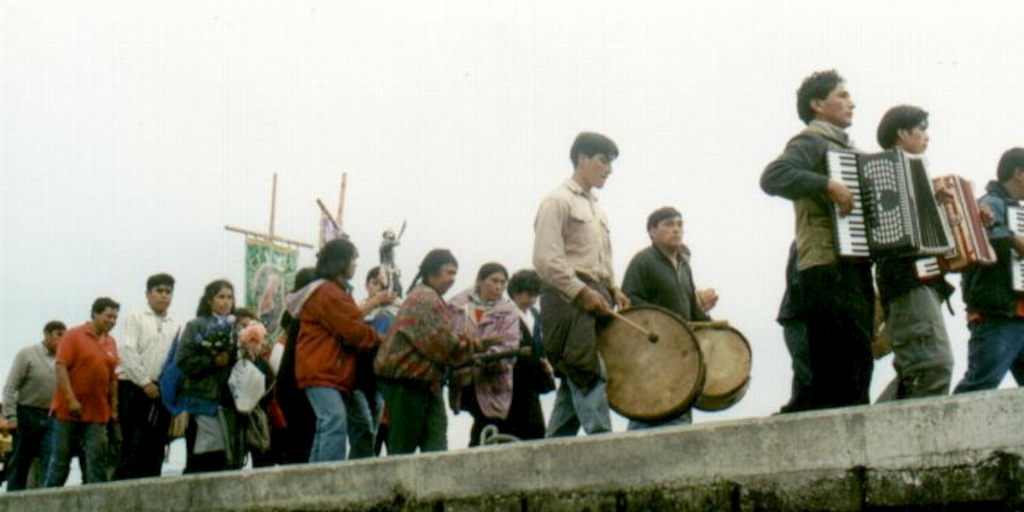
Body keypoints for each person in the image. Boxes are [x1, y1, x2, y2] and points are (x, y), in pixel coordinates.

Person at [761, 69, 874, 411]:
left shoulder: (849, 149)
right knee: (835, 367)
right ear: (817, 104)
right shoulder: (810, 140)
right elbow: (773, 177)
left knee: (858, 360)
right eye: (842, 95)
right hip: (824, 264)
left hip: (853, 263)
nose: (850, 103)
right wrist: (827, 185)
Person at [533, 131, 629, 437]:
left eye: (611, 163)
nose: (609, 170)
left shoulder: (597, 209)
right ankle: (603, 445)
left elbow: (602, 261)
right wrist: (581, 291)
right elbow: (546, 260)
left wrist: (613, 289)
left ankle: (548, 455)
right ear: (582, 159)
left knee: (577, 376)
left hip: (595, 296)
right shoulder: (557, 201)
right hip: (568, 299)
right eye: (603, 161)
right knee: (586, 369)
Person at [871, 106, 956, 401]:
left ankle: (876, 437)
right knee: (930, 366)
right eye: (921, 128)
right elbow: (887, 233)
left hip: (920, 284)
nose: (926, 136)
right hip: (908, 283)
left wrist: (941, 207)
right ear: (902, 133)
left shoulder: (915, 173)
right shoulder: (883, 171)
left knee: (924, 368)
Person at [374, 249, 474, 454]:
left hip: (427, 383)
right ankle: (398, 487)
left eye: (455, 273)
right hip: (406, 383)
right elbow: (442, 343)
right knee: (403, 448)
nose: (452, 279)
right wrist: (471, 346)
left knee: (436, 446)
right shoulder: (424, 298)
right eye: (449, 272)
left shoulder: (429, 297)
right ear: (432, 272)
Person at [289, 239, 380, 462]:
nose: (355, 265)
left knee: (336, 425)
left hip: (329, 370)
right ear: (342, 262)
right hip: (322, 368)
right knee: (333, 420)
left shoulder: (330, 290)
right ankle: (329, 480)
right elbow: (353, 330)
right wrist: (380, 339)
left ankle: (317, 479)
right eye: (353, 260)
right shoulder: (328, 292)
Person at [620, 207, 711, 429]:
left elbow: (692, 307)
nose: (676, 230)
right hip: (652, 352)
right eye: (669, 224)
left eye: (680, 225)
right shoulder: (642, 262)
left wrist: (714, 330)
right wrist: (664, 326)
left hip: (681, 352)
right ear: (652, 231)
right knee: (648, 410)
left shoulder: (684, 266)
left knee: (680, 404)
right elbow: (631, 304)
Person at [954, 148, 1024, 393]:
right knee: (978, 388)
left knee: (980, 386)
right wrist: (1013, 237)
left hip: (1015, 313)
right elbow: (988, 242)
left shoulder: (1010, 207)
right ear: (1019, 173)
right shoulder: (988, 204)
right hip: (997, 315)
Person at [44, 298, 120, 487]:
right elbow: (60, 367)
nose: (112, 321)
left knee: (97, 463)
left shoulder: (111, 342)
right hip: (67, 412)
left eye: (115, 318)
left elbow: (113, 378)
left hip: (98, 413)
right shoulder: (73, 335)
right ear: (95, 313)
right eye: (108, 316)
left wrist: (114, 408)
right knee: (60, 463)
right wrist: (71, 400)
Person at [114, 273, 179, 480]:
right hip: (134, 388)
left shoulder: (174, 324)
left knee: (156, 447)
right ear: (148, 294)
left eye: (168, 292)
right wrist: (144, 382)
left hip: (161, 392)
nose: (164, 296)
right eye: (159, 291)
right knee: (133, 447)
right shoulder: (136, 318)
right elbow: (127, 352)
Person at [448, 263, 521, 446]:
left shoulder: (509, 311)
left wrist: (489, 356)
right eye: (494, 281)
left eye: (503, 282)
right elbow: (447, 335)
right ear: (480, 281)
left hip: (494, 378)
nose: (499, 287)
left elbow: (509, 344)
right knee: (483, 423)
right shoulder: (457, 305)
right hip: (464, 377)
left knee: (488, 424)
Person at [176, 280, 239, 474]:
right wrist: (212, 362)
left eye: (229, 297)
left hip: (226, 398)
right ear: (210, 300)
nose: (226, 302)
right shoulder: (196, 325)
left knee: (224, 452)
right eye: (221, 296)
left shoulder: (234, 328)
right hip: (201, 396)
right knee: (204, 451)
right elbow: (183, 360)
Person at [3, 321, 65, 490]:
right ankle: (14, 501)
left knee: (50, 458)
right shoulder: (27, 354)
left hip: (52, 415)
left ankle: (44, 500)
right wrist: (10, 416)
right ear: (47, 334)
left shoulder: (63, 359)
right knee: (20, 460)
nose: (62, 339)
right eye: (59, 334)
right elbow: (10, 387)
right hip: (26, 414)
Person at [503, 269, 554, 441]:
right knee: (512, 428)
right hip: (512, 377)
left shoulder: (534, 314)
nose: (532, 299)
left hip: (532, 378)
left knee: (535, 428)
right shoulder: (505, 313)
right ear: (515, 292)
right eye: (528, 294)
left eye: (535, 295)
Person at [776, 243, 812, 413]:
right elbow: (797, 283)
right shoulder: (804, 243)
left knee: (803, 369)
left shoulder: (801, 242)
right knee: (805, 369)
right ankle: (799, 403)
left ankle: (798, 402)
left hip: (795, 315)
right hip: (797, 316)